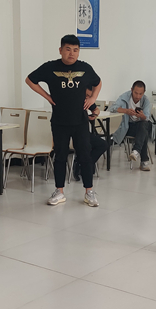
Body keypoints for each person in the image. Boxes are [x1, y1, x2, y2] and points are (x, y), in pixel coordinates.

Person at [25, 34, 102, 207]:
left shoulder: (85, 68)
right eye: (68, 49)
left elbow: (98, 82)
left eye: (75, 50)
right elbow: (30, 80)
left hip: (80, 121)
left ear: (79, 52)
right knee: (60, 156)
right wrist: (47, 96)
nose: (71, 53)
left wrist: (93, 99)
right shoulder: (50, 67)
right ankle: (59, 191)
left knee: (85, 156)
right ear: (60, 50)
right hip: (59, 121)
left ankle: (89, 191)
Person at [110, 80, 153, 171]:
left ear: (144, 92)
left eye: (140, 94)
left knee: (144, 125)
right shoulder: (124, 97)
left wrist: (141, 116)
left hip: (142, 125)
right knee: (143, 132)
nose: (138, 96)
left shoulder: (146, 100)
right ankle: (143, 160)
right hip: (128, 127)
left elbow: (146, 117)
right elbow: (112, 108)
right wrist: (126, 111)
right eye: (136, 93)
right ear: (131, 90)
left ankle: (136, 151)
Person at [72, 86, 109, 181]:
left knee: (103, 144)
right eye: (86, 95)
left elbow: (97, 110)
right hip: (72, 133)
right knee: (86, 146)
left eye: (90, 96)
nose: (88, 98)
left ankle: (82, 164)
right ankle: (84, 165)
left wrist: (94, 115)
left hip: (83, 132)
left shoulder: (87, 101)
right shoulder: (74, 100)